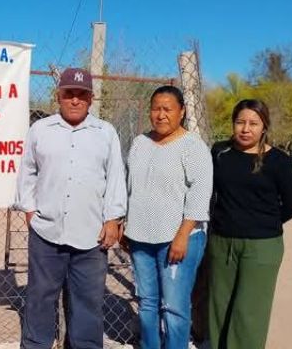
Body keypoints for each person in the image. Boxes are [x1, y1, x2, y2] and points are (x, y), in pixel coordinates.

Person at [14, 68, 127, 349]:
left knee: (88, 301)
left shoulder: (105, 132)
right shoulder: (40, 130)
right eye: (69, 94)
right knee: (40, 298)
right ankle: (36, 344)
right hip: (46, 233)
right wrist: (29, 210)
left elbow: (115, 178)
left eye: (81, 95)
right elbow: (27, 172)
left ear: (91, 98)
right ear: (59, 96)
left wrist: (113, 218)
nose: (75, 100)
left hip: (91, 236)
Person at [208, 99, 292, 349]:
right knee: (220, 304)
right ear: (233, 124)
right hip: (221, 242)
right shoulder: (220, 153)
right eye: (240, 122)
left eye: (253, 123)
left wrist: (262, 224)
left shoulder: (280, 161)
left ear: (264, 127)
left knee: (249, 311)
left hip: (262, 247)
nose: (246, 129)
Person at [124, 85, 212, 349]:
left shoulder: (193, 147)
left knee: (174, 307)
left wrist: (183, 235)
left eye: (167, 109)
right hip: (141, 239)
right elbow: (132, 188)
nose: (161, 115)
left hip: (178, 240)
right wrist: (129, 227)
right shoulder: (140, 143)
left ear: (181, 112)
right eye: (156, 109)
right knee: (147, 303)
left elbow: (199, 195)